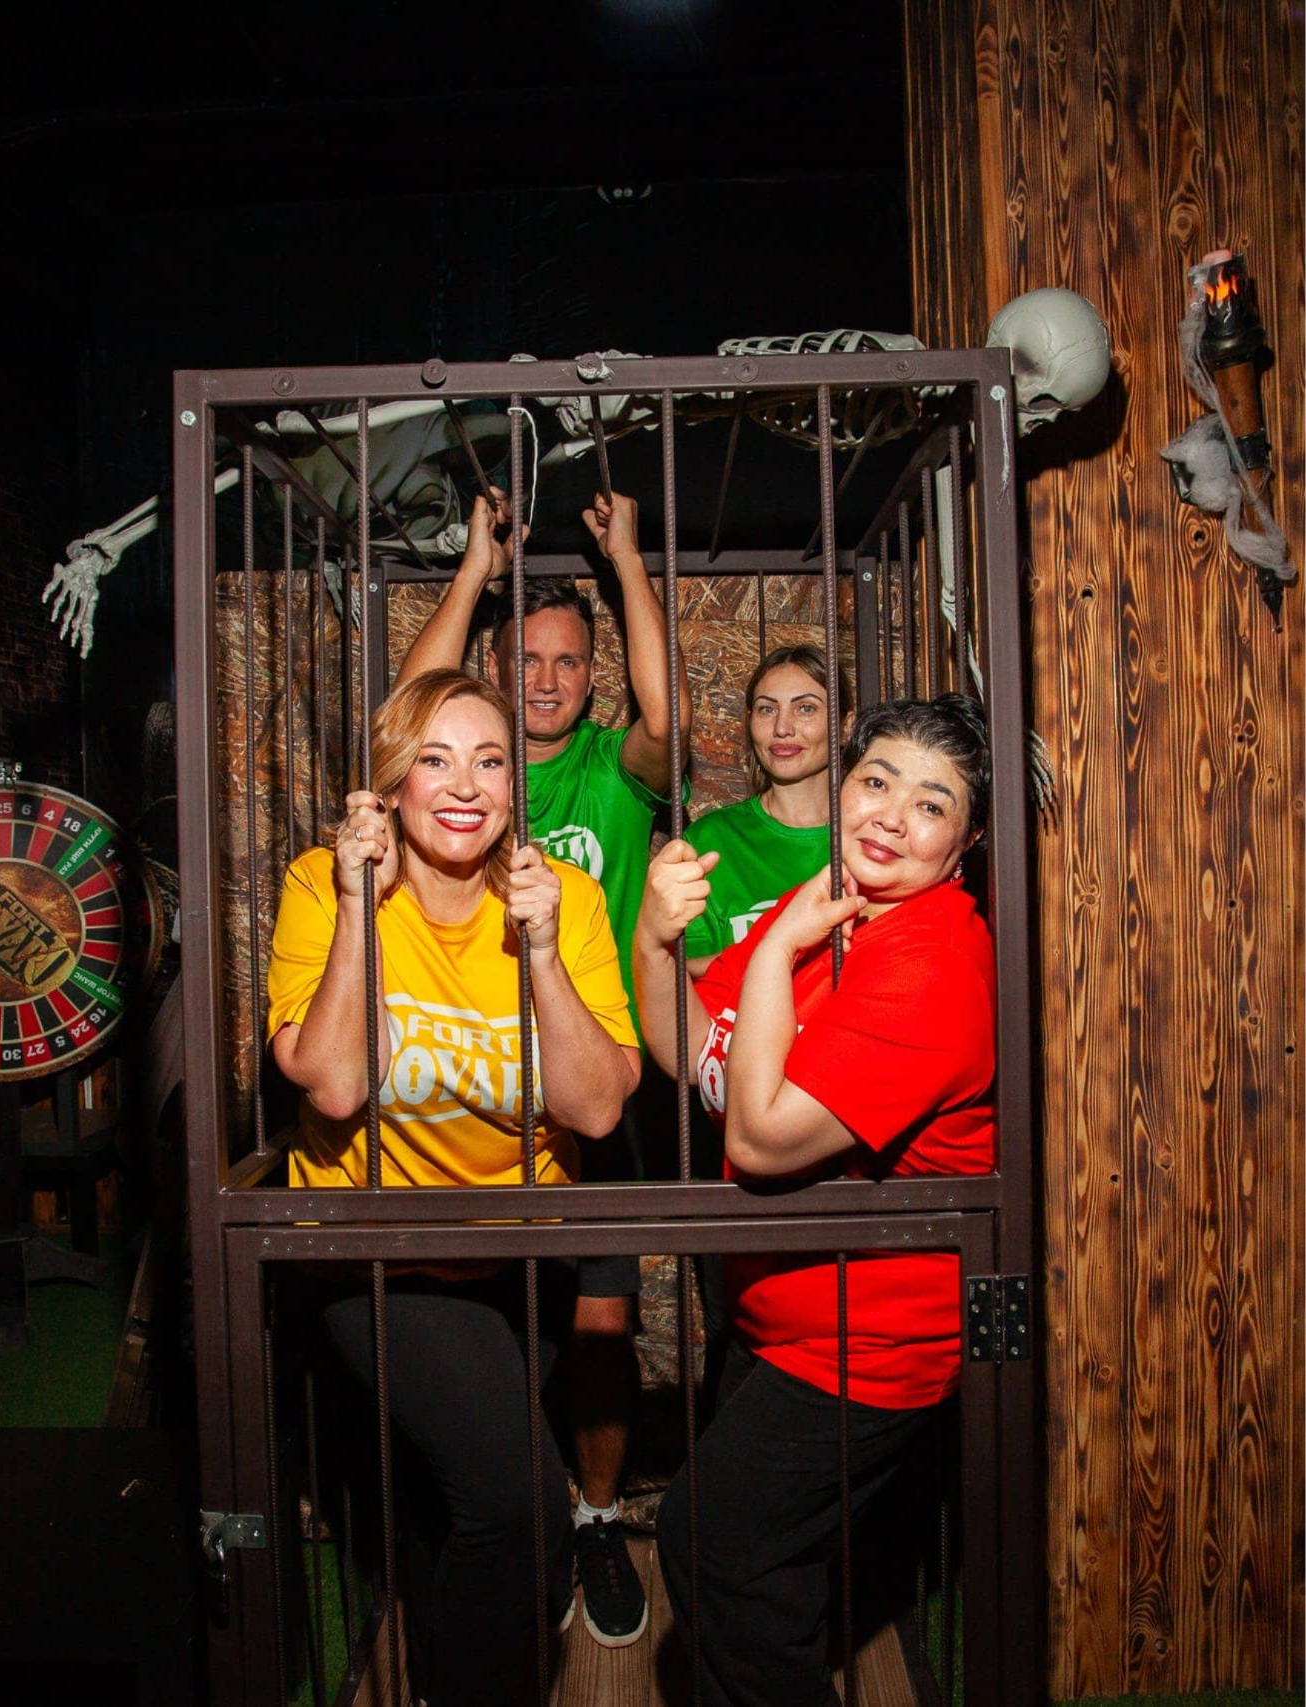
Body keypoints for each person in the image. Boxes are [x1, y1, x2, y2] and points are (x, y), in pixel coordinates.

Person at [266, 668, 640, 1706]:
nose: (465, 785)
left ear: (517, 786)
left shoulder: (562, 900)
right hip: (381, 1260)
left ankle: (440, 1671)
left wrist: (542, 952)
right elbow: (334, 1085)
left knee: (460, 1509)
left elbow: (595, 1110)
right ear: (390, 783)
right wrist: (357, 905)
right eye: (433, 760)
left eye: (489, 761)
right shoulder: (324, 884)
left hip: (524, 1257)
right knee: (520, 1508)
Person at [634, 694, 996, 1707]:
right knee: (758, 1587)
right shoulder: (834, 910)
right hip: (779, 1317)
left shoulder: (928, 962)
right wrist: (656, 940)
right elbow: (689, 1050)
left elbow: (755, 1138)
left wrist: (777, 941)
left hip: (866, 1345)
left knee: (711, 1547)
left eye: (931, 803)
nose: (891, 816)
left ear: (964, 843)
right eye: (876, 780)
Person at [395, 485, 689, 1647]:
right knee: (484, 1320)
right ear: (496, 670)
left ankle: (595, 1520)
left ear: (591, 675)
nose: (549, 678)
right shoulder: (460, 775)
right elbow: (407, 715)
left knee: (600, 1320)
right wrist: (474, 568)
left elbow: (667, 718)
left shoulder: (615, 770)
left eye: (570, 660)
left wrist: (627, 561)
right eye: (526, 658)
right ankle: (502, 1514)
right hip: (461, 1086)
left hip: (589, 1082)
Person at [683, 644, 854, 977]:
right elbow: (680, 971)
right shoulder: (712, 840)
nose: (782, 728)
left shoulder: (873, 839)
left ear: (846, 727)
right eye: (766, 709)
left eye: (806, 708)